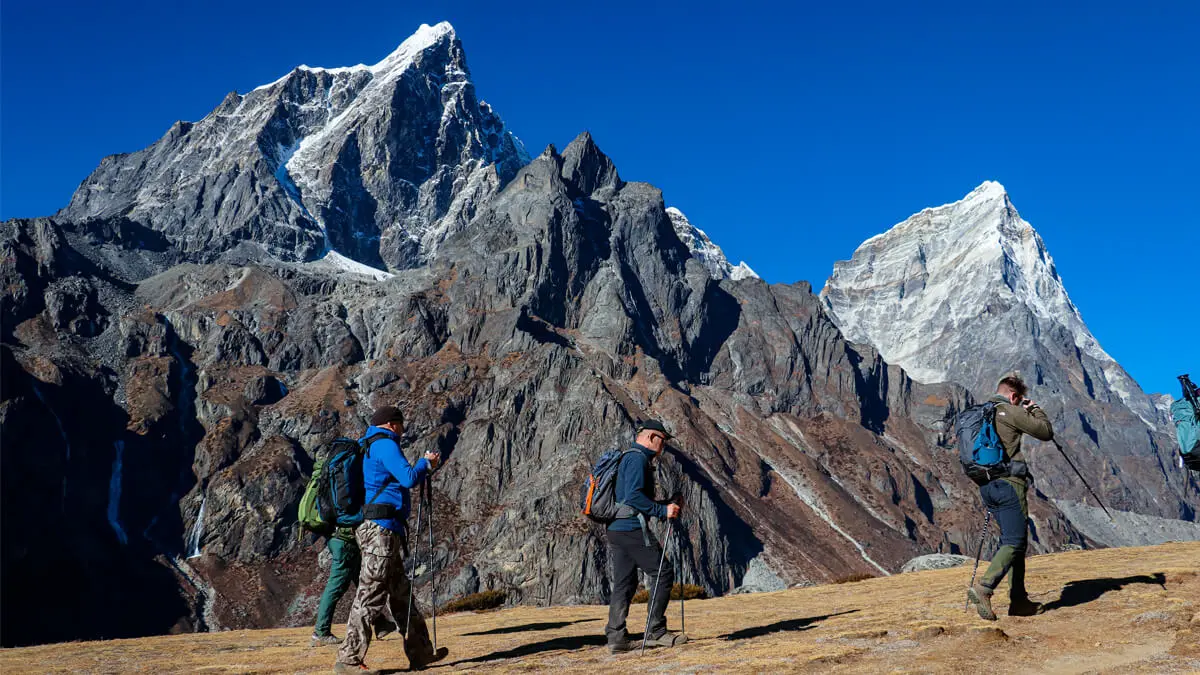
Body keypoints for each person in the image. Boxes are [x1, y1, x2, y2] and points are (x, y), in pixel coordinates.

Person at [334, 406, 448, 674]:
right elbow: (408, 479)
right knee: (371, 592)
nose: (403, 428)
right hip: (380, 531)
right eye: (401, 424)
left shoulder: (370, 444)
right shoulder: (385, 445)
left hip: (380, 529)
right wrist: (425, 463)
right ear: (391, 424)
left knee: (400, 593)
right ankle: (348, 660)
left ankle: (420, 652)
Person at [967, 375, 1054, 620]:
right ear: (1014, 396)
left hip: (987, 485)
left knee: (1014, 541)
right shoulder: (1009, 411)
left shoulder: (982, 414)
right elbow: (1045, 432)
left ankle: (1019, 601)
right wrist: (1034, 408)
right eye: (1019, 400)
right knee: (1015, 541)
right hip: (1009, 484)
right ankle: (985, 588)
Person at [605, 419, 687, 653]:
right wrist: (663, 510)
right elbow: (633, 498)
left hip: (617, 528)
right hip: (631, 529)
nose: (664, 446)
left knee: (625, 582)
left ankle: (617, 637)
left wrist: (665, 504)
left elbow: (633, 500)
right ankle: (656, 631)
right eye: (663, 440)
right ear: (652, 437)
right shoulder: (637, 459)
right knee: (663, 571)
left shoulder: (630, 458)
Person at [310, 526, 398, 647]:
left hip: (337, 539)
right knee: (335, 588)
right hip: (345, 542)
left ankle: (380, 622)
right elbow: (351, 516)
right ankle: (320, 632)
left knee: (362, 581)